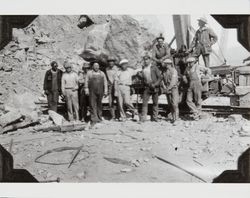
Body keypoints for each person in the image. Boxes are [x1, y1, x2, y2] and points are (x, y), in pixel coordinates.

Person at [140, 54, 162, 122]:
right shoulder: (143, 68)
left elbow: (160, 77)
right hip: (147, 87)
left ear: (150, 60)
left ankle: (155, 117)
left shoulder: (154, 67)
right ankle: (144, 118)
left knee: (155, 103)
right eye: (144, 60)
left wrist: (155, 84)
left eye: (147, 60)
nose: (146, 61)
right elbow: (143, 78)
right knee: (144, 102)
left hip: (154, 87)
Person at [85, 61, 108, 126]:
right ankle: (93, 119)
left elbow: (105, 82)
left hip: (100, 91)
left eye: (97, 66)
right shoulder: (89, 73)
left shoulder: (102, 73)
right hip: (92, 91)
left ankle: (99, 118)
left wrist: (106, 91)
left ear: (99, 67)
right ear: (93, 67)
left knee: (99, 104)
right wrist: (86, 89)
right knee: (92, 105)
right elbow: (86, 81)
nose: (96, 67)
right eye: (95, 66)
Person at [161, 59, 179, 123]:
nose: (166, 65)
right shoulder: (164, 71)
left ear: (170, 64)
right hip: (167, 89)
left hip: (173, 89)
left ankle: (176, 118)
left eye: (167, 64)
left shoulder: (174, 71)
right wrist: (164, 87)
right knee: (170, 104)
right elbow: (162, 80)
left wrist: (168, 88)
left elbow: (173, 81)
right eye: (165, 64)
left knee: (174, 104)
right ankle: (173, 117)